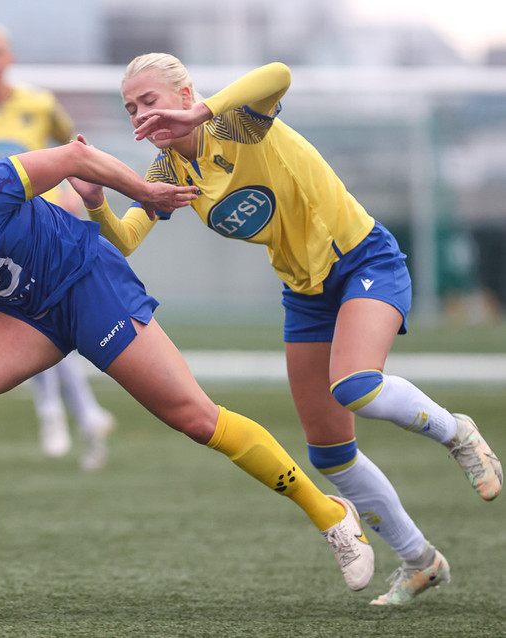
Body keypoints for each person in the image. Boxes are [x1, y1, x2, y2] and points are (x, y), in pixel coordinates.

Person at [0, 109, 374, 615]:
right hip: (25, 311)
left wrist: (145, 193)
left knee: (196, 418)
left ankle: (331, 515)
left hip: (87, 283)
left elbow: (74, 157)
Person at [68, 54, 503, 606]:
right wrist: (97, 204)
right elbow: (125, 241)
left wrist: (202, 113)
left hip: (363, 261)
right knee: (330, 454)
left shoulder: (235, 123)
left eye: (149, 101)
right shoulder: (168, 171)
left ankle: (457, 432)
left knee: (356, 385)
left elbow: (279, 74)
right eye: (131, 108)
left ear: (185, 96)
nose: (140, 115)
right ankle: (421, 562)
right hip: (305, 292)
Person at [0, 21, 114, 469]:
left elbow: (75, 149)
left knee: (35, 317)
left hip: (43, 229)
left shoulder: (40, 102)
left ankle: (58, 414)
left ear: (9, 57)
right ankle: (84, 414)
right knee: (38, 319)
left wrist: (71, 192)